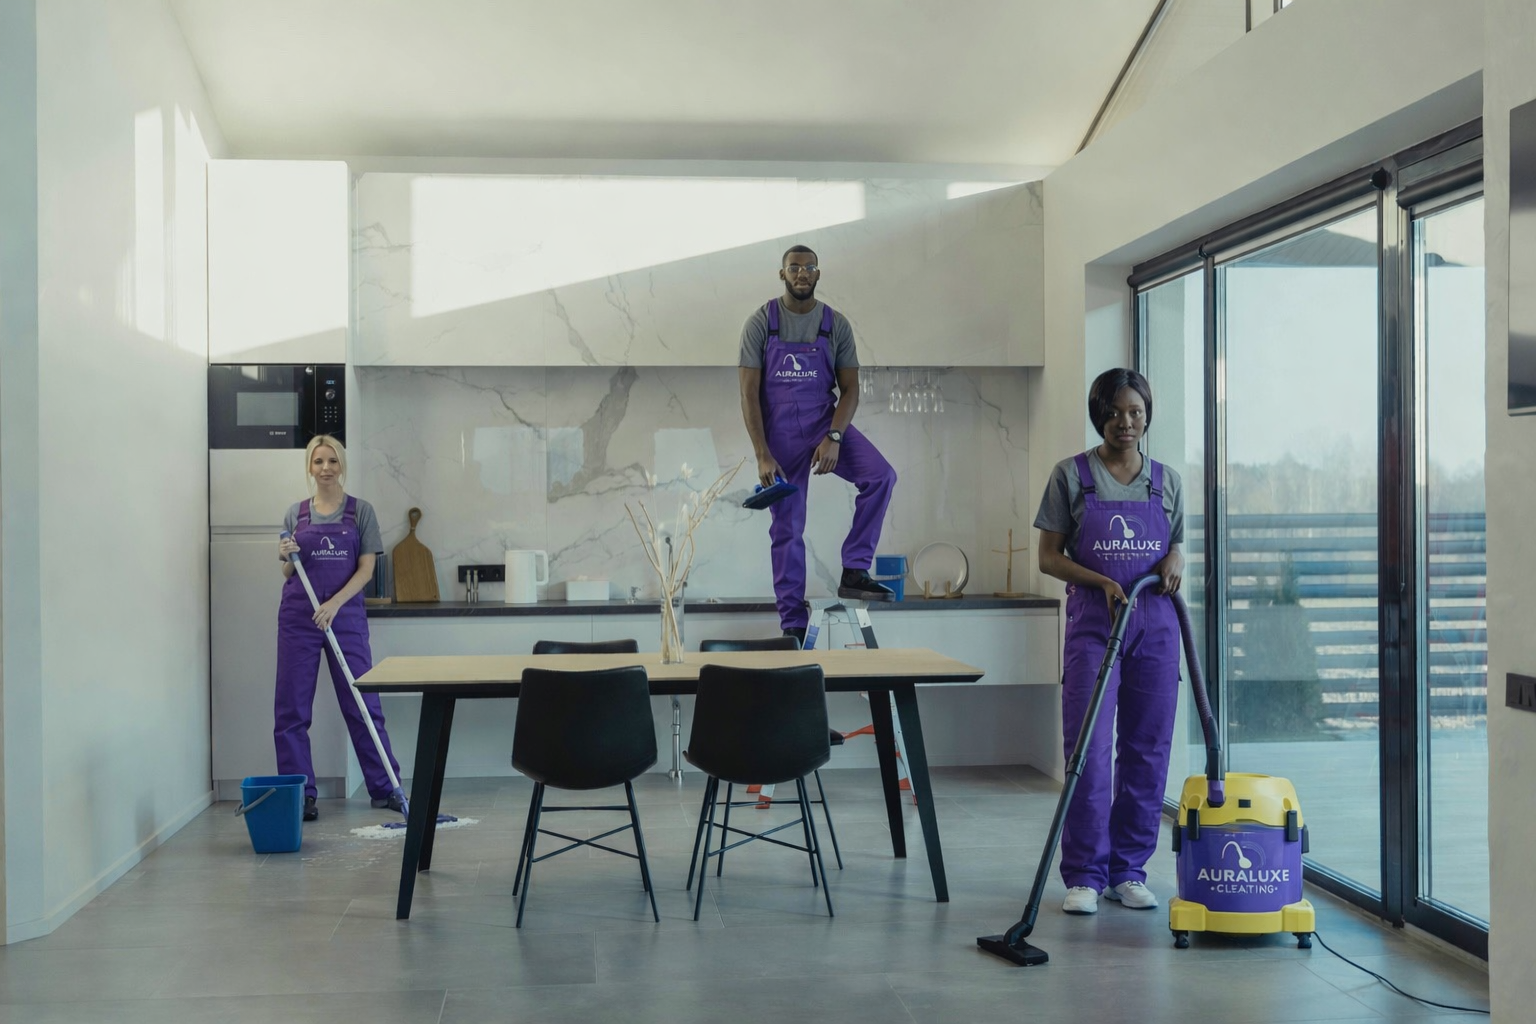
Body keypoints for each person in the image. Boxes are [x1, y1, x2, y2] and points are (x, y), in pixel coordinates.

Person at [1033, 368, 1185, 915]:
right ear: (1099, 413)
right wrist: (1100, 582)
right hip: (1096, 628)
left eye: (1136, 412)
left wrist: (1176, 556)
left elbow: (1177, 545)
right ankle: (1084, 875)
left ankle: (1128, 870)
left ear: (1147, 416)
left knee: (1147, 751)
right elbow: (1048, 558)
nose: (1127, 422)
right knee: (1089, 753)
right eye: (1116, 412)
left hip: (1157, 627)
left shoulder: (1167, 481)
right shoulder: (1071, 476)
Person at [739, 244, 898, 645]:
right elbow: (748, 393)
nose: (802, 273)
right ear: (782, 274)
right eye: (794, 267)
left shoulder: (835, 325)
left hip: (823, 422)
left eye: (809, 267)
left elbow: (850, 390)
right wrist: (762, 453)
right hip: (780, 433)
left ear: (818, 274)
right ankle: (792, 618)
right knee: (788, 526)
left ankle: (855, 570)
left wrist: (834, 436)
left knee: (881, 476)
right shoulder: (761, 323)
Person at [274, 435, 402, 822]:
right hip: (300, 618)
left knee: (363, 704)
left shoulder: (360, 512)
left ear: (341, 465)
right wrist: (285, 556)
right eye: (318, 462)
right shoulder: (294, 515)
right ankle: (302, 794)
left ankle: (386, 788)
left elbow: (367, 568)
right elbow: (287, 571)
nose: (325, 468)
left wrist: (334, 604)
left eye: (332, 461)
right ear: (310, 468)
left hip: (343, 617)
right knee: (292, 710)